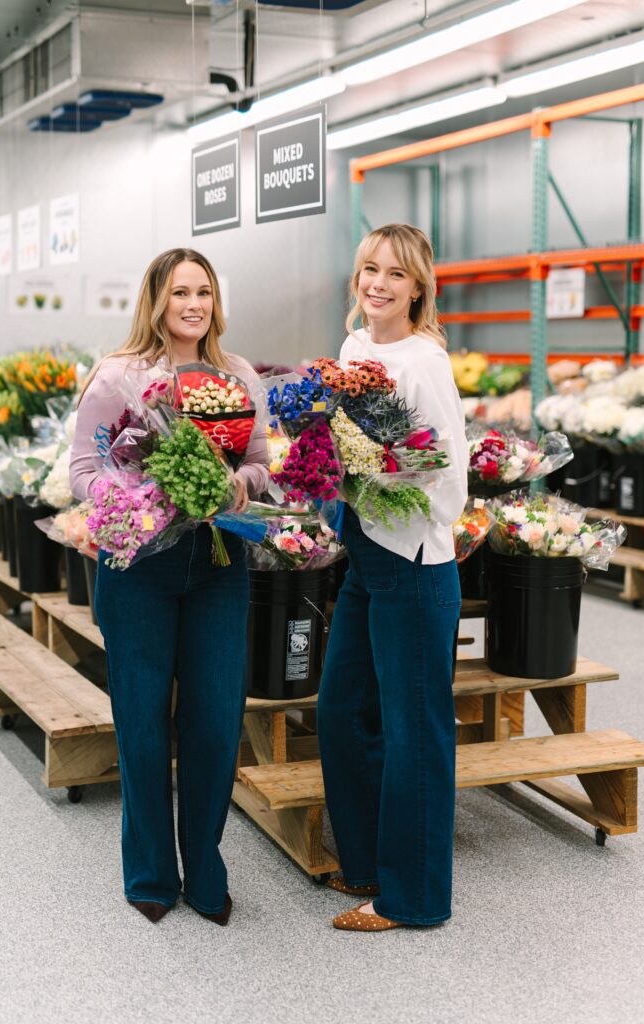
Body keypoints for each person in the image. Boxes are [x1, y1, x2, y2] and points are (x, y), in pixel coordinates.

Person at [70, 248, 269, 925]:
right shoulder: (119, 377)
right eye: (179, 291)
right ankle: (152, 874)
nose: (193, 304)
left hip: (218, 566)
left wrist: (232, 486)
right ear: (154, 299)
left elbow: (261, 465)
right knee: (143, 724)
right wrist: (132, 498)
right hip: (140, 569)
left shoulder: (236, 376)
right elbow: (83, 468)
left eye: (204, 292)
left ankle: (205, 870)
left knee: (214, 724)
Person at [317, 223, 468, 932]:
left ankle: (412, 899)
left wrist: (377, 473)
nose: (377, 283)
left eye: (394, 274)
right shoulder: (353, 347)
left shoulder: (423, 362)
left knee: (415, 733)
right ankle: (367, 863)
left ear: (417, 287)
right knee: (341, 709)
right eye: (368, 269)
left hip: (413, 562)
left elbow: (445, 469)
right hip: (365, 551)